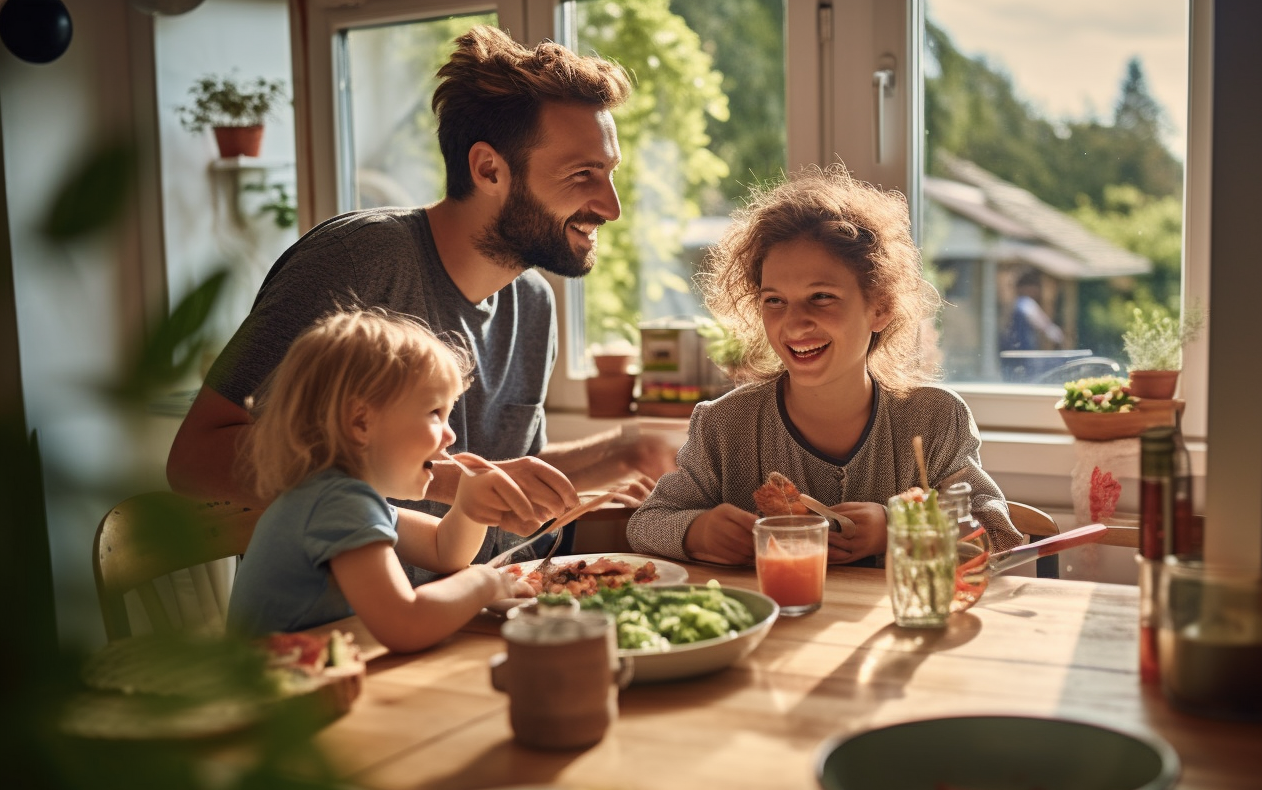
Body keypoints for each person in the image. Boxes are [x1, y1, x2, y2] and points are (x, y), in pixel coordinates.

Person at [166, 25, 677, 569]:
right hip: (337, 632)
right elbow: (196, 459)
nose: (611, 206)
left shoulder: (532, 302)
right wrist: (446, 480)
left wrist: (622, 454)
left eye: (610, 173)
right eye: (583, 174)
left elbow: (499, 477)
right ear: (488, 170)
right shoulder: (357, 262)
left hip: (472, 615)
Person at [626, 165, 1019, 566]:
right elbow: (648, 522)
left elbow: (997, 534)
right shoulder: (724, 427)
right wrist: (697, 531)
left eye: (822, 297)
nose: (794, 322)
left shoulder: (934, 419)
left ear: (879, 308)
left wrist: (899, 526)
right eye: (774, 300)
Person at [227, 310, 548, 652]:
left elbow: (444, 550)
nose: (450, 435)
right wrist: (485, 581)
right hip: (273, 693)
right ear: (361, 422)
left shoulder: (336, 496)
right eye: (434, 413)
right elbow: (404, 624)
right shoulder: (339, 503)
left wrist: (470, 505)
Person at [1001, 270, 1065, 352]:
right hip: (1023, 349)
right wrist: (1056, 335)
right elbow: (1043, 324)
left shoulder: (1016, 304)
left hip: (1013, 349)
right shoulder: (1026, 303)